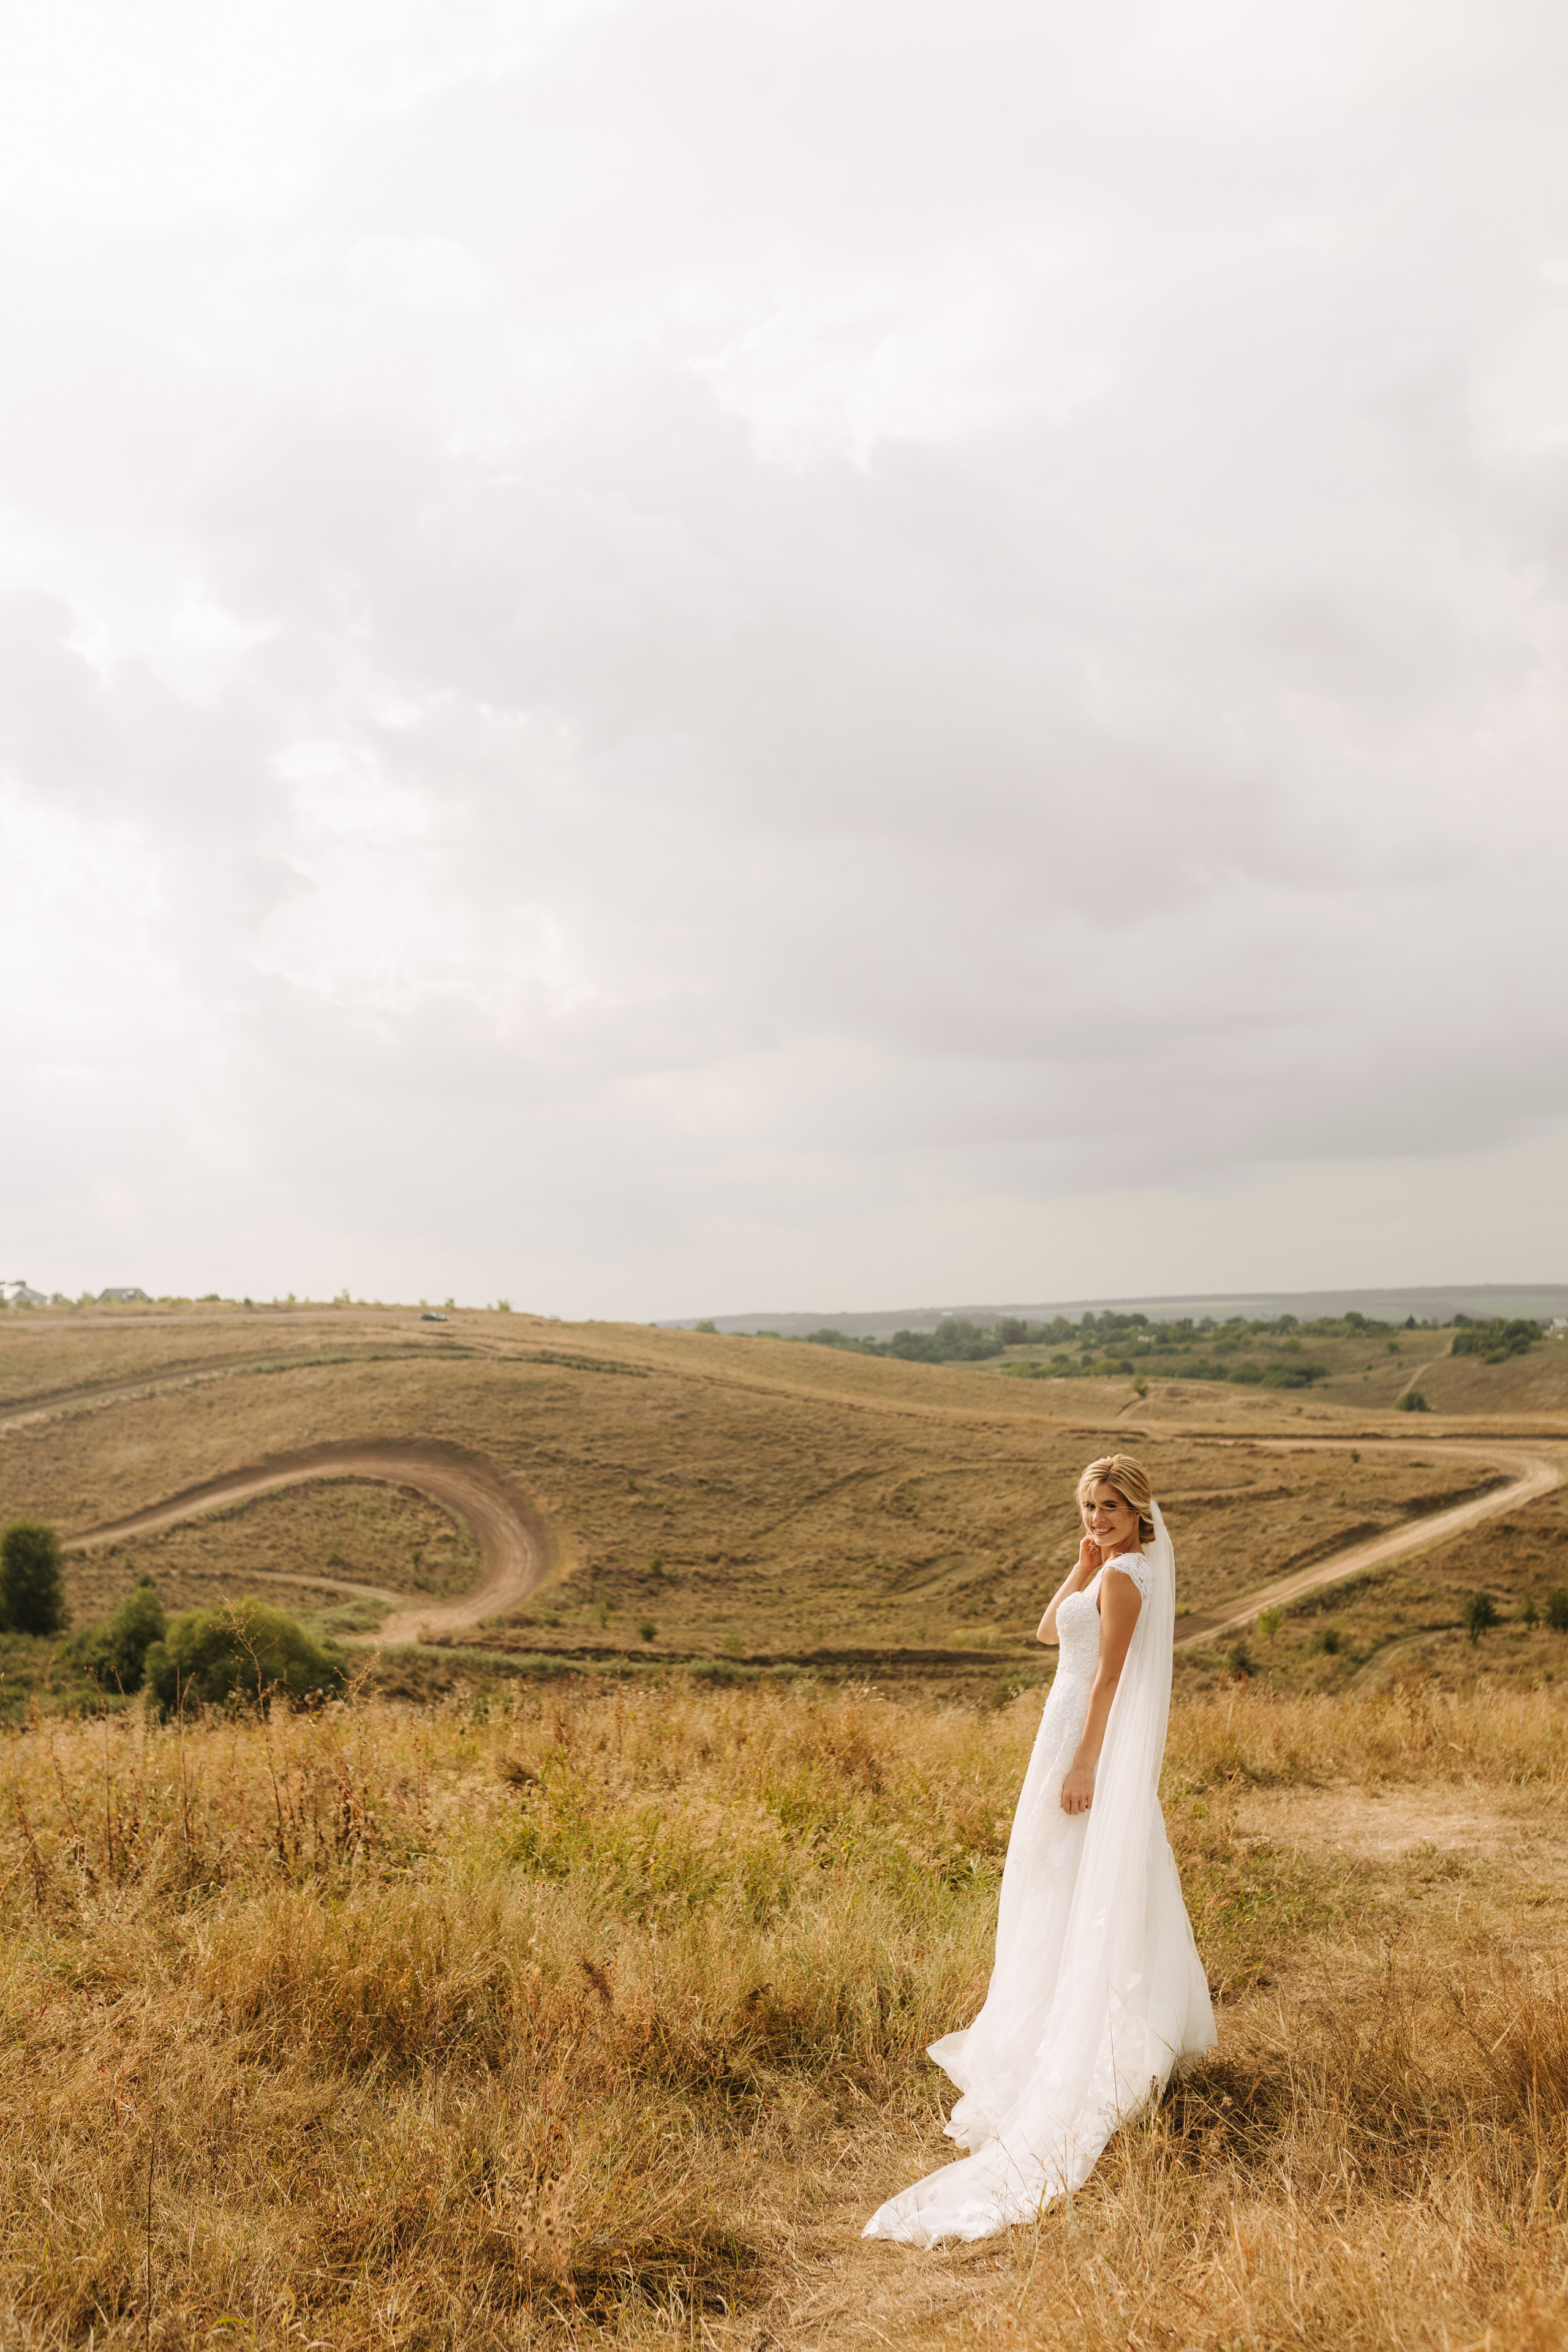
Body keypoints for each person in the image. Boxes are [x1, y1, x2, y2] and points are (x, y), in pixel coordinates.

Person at [863, 1453, 1215, 2245]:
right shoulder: (1108, 1567)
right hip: (1060, 1740)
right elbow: (1048, 1632)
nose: (1098, 1518)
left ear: (1139, 1511)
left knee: (1068, 1888)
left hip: (1078, 1747)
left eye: (1111, 1507)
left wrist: (1086, 1761)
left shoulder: (1129, 1579)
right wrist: (1079, 1564)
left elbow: (1108, 1681)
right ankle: (1058, 2012)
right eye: (1090, 1506)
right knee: (1053, 1889)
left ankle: (1085, 2032)